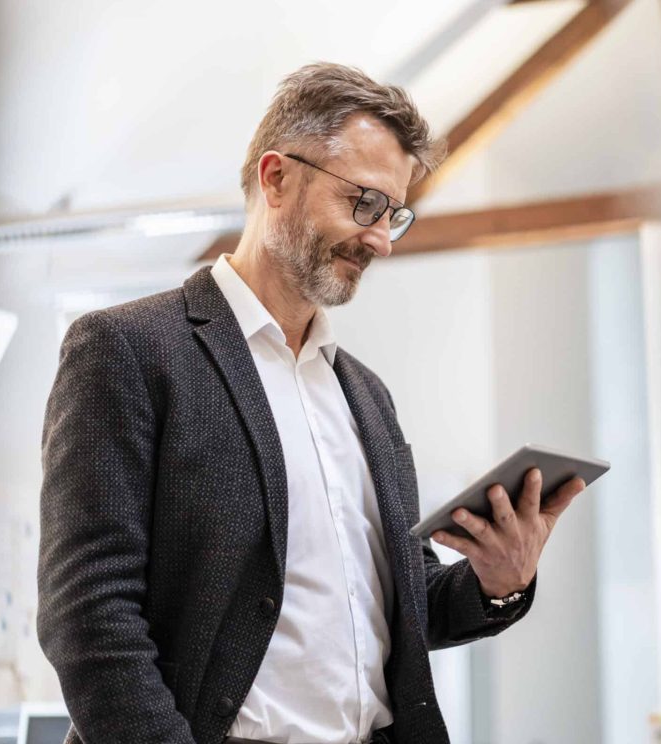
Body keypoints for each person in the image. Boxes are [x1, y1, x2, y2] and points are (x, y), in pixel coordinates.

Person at [36, 62, 586, 744]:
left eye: (395, 215)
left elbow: (401, 602)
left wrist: (497, 580)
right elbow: (88, 614)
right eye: (364, 203)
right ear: (277, 178)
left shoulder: (366, 395)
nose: (381, 240)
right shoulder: (128, 351)